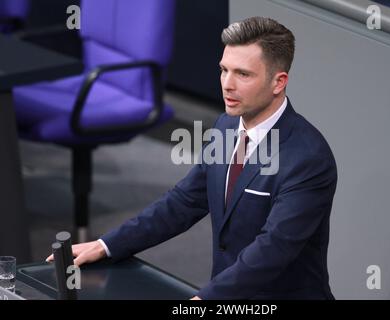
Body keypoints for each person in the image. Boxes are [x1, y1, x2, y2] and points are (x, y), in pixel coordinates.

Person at [47, 16, 337, 300]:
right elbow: (184, 202)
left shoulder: (307, 159)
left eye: (243, 74)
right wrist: (107, 245)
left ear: (278, 82)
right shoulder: (226, 125)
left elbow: (273, 250)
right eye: (224, 70)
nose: (227, 84)